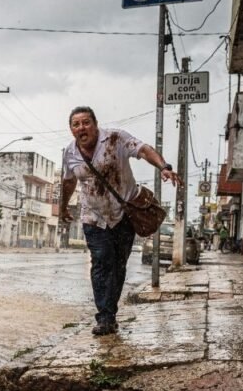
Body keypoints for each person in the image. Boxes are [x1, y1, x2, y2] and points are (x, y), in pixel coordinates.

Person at [59, 106, 182, 336]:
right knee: (101, 261)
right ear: (71, 130)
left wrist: (163, 167)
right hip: (93, 216)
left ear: (95, 125)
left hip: (124, 214)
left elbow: (144, 150)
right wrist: (64, 207)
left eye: (86, 122)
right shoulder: (69, 153)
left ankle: (110, 313)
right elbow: (68, 182)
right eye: (76, 124)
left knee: (118, 264)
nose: (81, 128)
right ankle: (104, 317)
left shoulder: (116, 138)